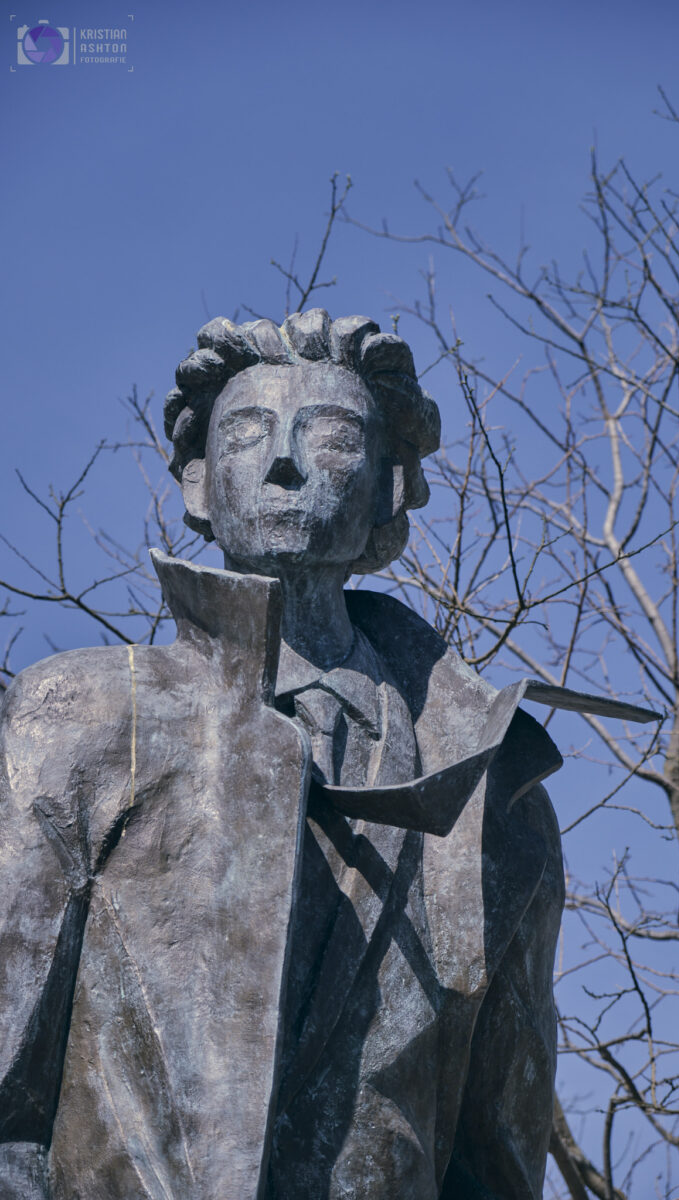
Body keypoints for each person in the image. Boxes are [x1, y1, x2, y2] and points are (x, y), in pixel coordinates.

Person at [0, 309, 565, 1199]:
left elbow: (495, 1158)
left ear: (389, 489)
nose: (286, 462)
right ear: (196, 484)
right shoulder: (78, 716)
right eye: (248, 433)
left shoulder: (494, 791)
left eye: (333, 436)